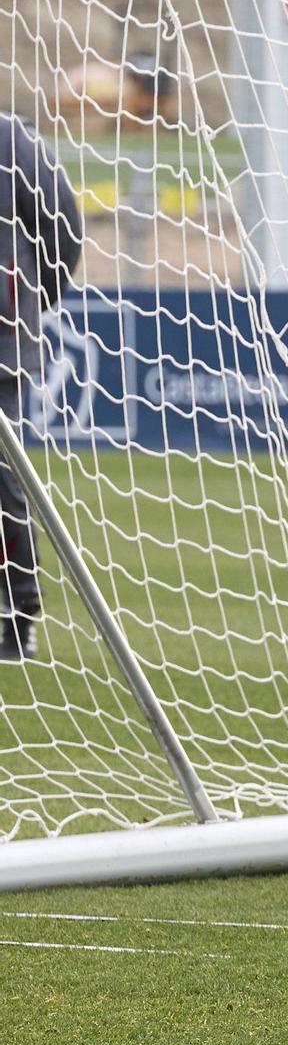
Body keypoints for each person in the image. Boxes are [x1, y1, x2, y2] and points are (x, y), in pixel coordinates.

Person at [0, 115, 84, 663]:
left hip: (0, 345)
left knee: (3, 484)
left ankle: (17, 610)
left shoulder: (14, 141)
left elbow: (64, 234)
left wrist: (24, 304)